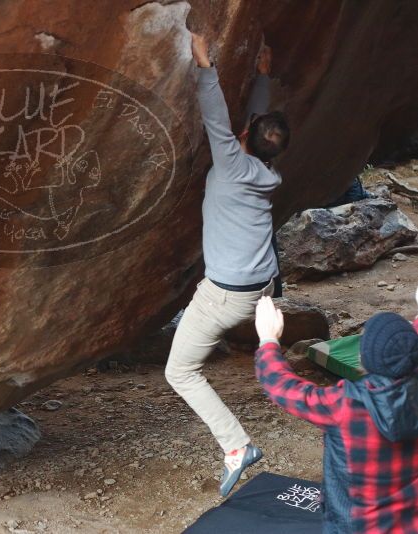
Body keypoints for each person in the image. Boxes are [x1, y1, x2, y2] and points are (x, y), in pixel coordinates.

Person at [165, 32, 291, 497]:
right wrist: (261, 78)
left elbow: (215, 115)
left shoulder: (233, 164)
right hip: (258, 290)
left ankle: (237, 446)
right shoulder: (267, 172)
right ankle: (236, 444)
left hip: (226, 294)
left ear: (244, 141)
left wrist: (204, 64)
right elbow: (255, 125)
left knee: (179, 372)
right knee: (190, 356)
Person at [255, 295, 418, 533]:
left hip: (356, 524)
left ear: (363, 359)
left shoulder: (345, 405)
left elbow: (283, 387)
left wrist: (268, 340)